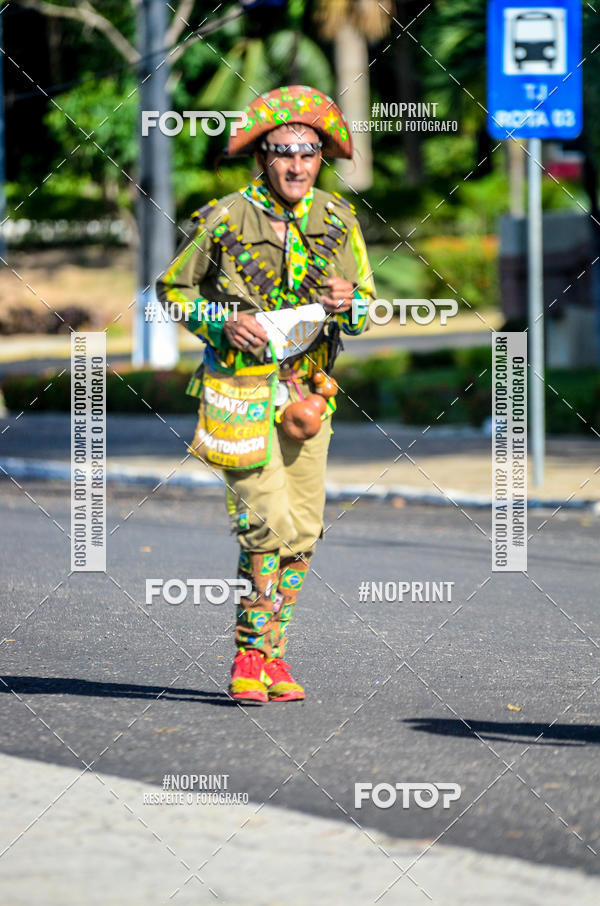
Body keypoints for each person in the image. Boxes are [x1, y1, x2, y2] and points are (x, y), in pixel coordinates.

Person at [157, 84, 375, 704]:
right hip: (239, 391)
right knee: (266, 522)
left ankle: (276, 659)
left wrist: (349, 302)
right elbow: (174, 290)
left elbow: (365, 309)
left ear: (321, 158)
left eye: (309, 153)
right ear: (263, 156)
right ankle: (249, 654)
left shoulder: (339, 221)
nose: (297, 165)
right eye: (284, 152)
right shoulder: (223, 218)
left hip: (311, 395)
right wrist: (220, 321)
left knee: (304, 529)